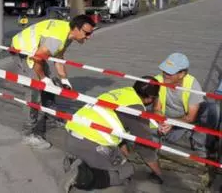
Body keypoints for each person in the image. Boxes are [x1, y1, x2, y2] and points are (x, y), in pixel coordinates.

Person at [59, 77, 163, 193]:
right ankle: (79, 177)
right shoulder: (137, 110)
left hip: (71, 136)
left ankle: (76, 161)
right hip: (90, 143)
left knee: (116, 161)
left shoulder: (123, 92)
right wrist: (158, 173)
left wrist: (122, 153)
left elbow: (116, 122)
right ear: (151, 98)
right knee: (125, 173)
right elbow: (145, 148)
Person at [11, 15, 96, 150]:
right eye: (87, 33)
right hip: (23, 50)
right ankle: (28, 134)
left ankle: (52, 116)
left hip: (37, 51)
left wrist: (63, 78)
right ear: (76, 29)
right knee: (34, 92)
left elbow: (59, 56)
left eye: (91, 33)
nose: (89, 37)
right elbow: (36, 58)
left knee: (48, 85)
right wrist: (43, 78)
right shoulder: (57, 39)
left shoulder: (67, 34)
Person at [152, 53, 219, 158]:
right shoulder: (158, 80)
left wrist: (172, 123)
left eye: (169, 73)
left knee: (212, 109)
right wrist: (162, 122)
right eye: (164, 71)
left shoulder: (192, 85)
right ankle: (162, 138)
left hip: (185, 119)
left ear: (182, 74)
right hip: (166, 119)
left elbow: (190, 117)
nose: (165, 74)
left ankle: (200, 146)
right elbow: (156, 108)